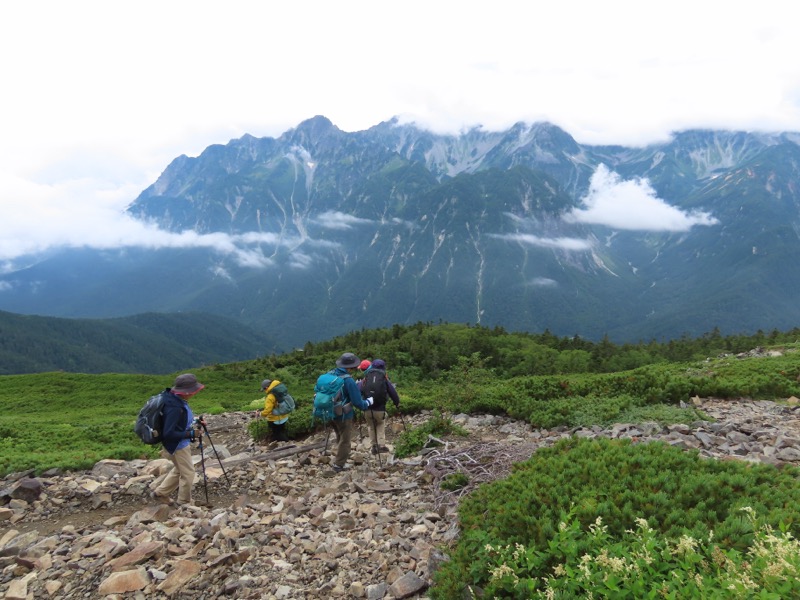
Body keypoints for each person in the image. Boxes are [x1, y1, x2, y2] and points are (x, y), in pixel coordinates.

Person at [151, 373, 205, 506]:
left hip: (174, 445)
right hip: (177, 446)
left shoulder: (173, 399)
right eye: (194, 390)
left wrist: (196, 421)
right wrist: (191, 434)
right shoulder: (175, 407)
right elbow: (169, 433)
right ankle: (184, 503)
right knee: (188, 474)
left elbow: (178, 423)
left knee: (179, 469)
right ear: (187, 391)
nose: (195, 392)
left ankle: (160, 493)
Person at [327, 352, 374, 472]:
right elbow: (358, 402)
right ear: (349, 367)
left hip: (329, 412)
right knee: (346, 440)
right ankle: (339, 465)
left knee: (339, 435)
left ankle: (339, 458)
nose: (353, 369)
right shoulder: (348, 381)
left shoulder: (330, 374)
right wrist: (368, 403)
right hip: (343, 414)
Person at [359, 359, 400, 454]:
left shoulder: (367, 376)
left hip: (367, 408)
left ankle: (374, 446)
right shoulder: (383, 377)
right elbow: (392, 391)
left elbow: (359, 389)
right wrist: (397, 403)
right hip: (380, 408)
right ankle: (381, 445)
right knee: (380, 424)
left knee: (371, 426)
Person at [259, 378, 291, 444]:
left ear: (267, 387)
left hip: (275, 419)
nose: (265, 391)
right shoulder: (280, 391)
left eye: (264, 389)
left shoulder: (270, 396)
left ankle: (287, 444)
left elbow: (268, 409)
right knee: (282, 431)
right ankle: (283, 443)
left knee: (277, 434)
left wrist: (261, 414)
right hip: (284, 415)